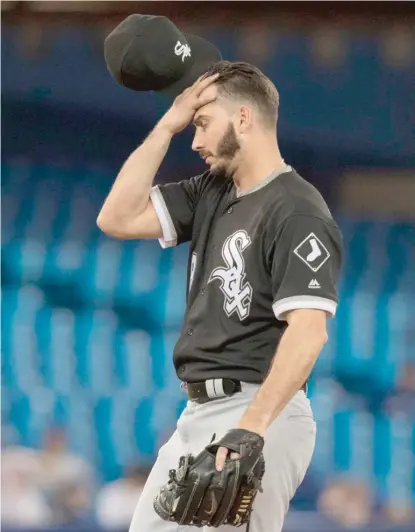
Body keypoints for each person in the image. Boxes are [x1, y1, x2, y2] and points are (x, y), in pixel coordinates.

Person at [97, 60, 343, 532]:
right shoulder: (212, 191)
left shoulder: (298, 210)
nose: (195, 140)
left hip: (256, 412)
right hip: (197, 414)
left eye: (203, 124)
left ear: (244, 119)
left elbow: (309, 334)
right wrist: (167, 124)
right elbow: (117, 217)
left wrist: (252, 426)